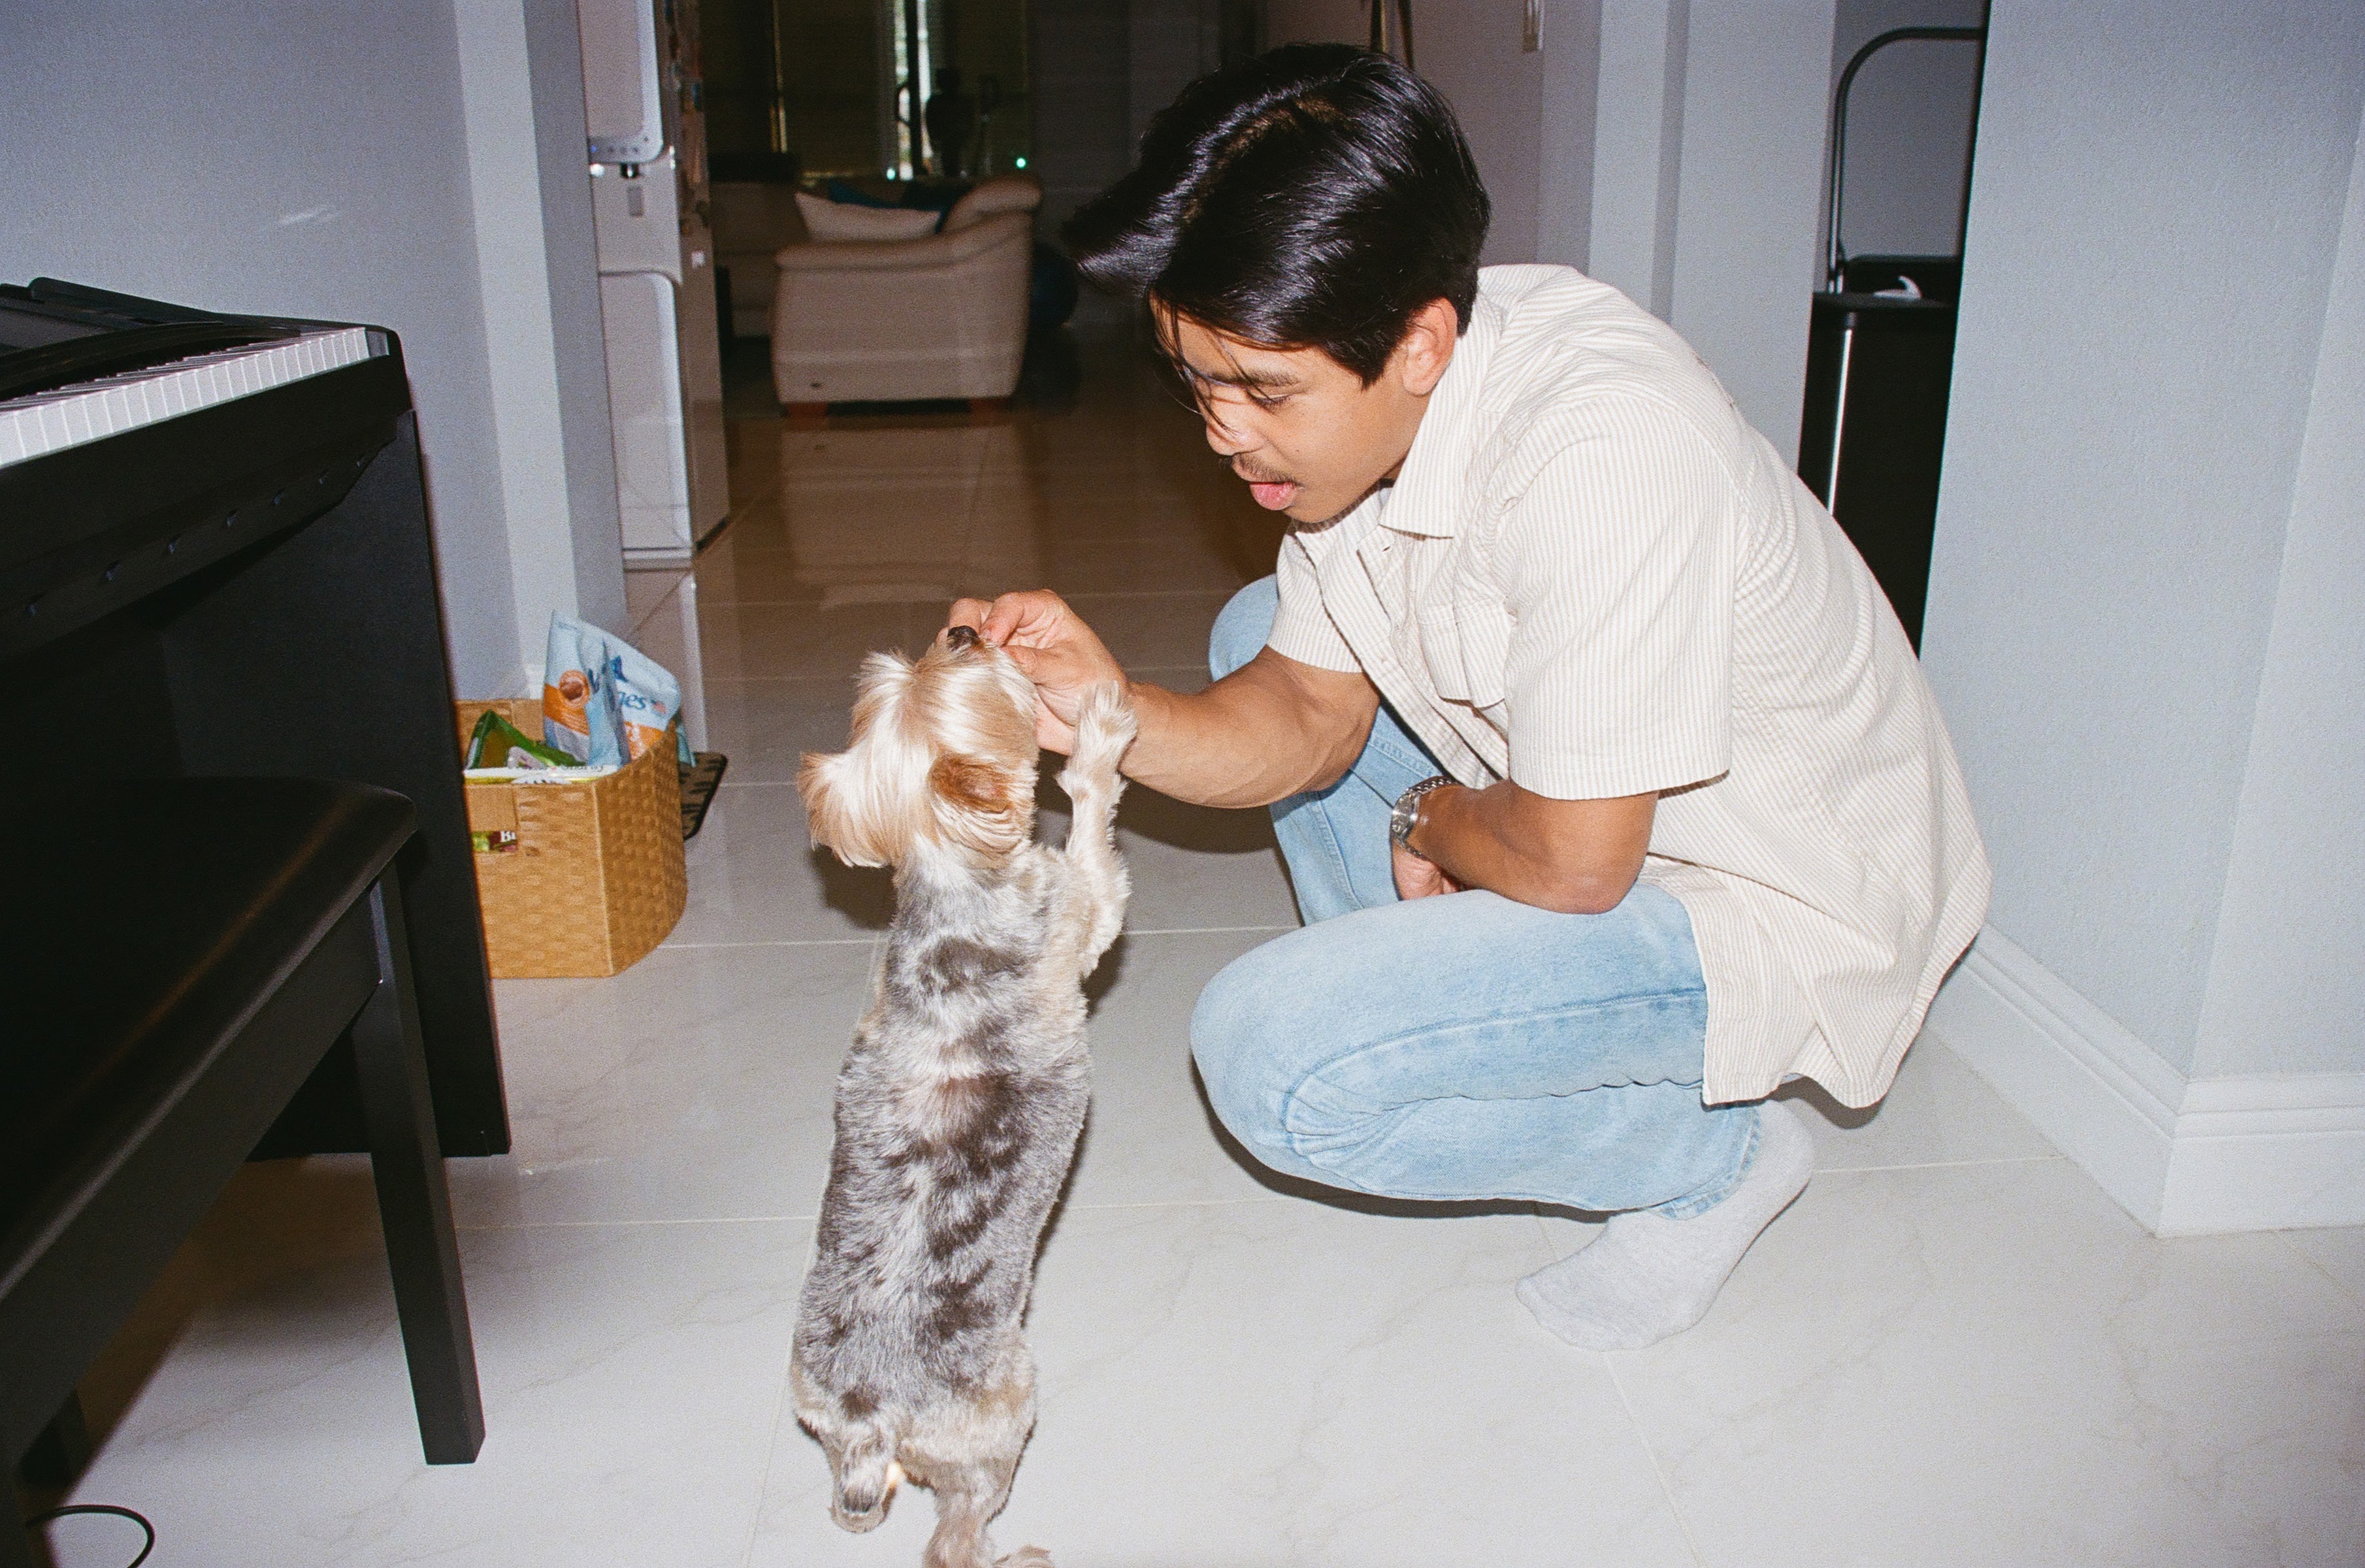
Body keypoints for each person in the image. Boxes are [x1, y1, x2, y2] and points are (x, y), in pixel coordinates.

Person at [946, 44, 1989, 1350]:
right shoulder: (1385, 392)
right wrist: (1110, 714)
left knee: (1274, 1064)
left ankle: (1712, 1160)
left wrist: (1430, 817)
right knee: (1258, 626)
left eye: (1262, 389)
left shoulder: (1602, 452)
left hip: (1768, 887)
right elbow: (1305, 715)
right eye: (1194, 378)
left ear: (1422, 345)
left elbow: (1574, 864)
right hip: (1595, 822)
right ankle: (1456, 1031)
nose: (1220, 432)